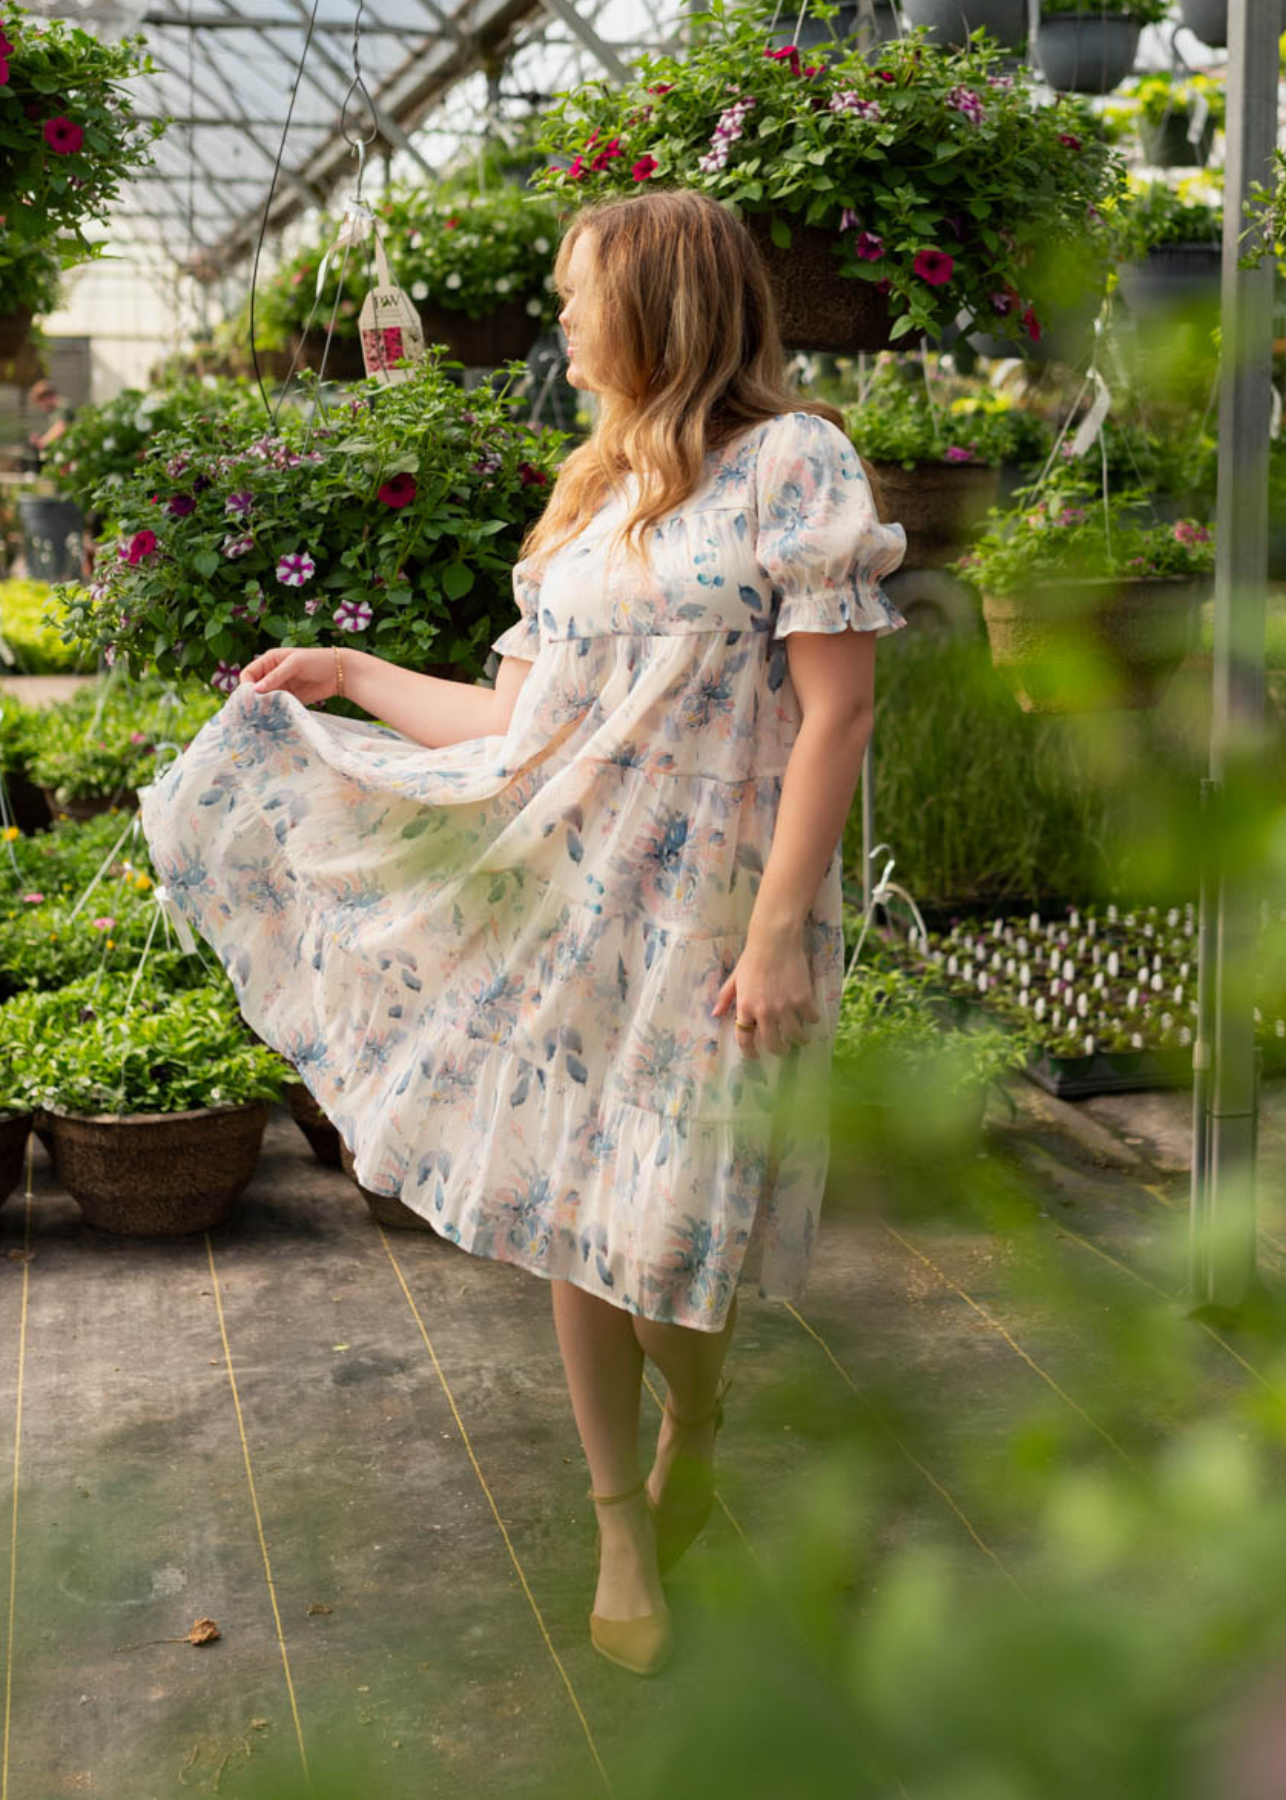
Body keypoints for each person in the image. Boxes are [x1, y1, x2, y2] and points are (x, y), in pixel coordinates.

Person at [136, 187, 907, 1679]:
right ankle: (621, 1522)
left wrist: (774, 936)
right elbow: (511, 722)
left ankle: (696, 1404)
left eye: (576, 292)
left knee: (676, 1225)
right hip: (561, 901)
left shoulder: (790, 465)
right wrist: (347, 671)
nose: (558, 317)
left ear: (658, 302)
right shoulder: (594, 496)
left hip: (709, 921)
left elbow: (837, 711)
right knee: (580, 1213)